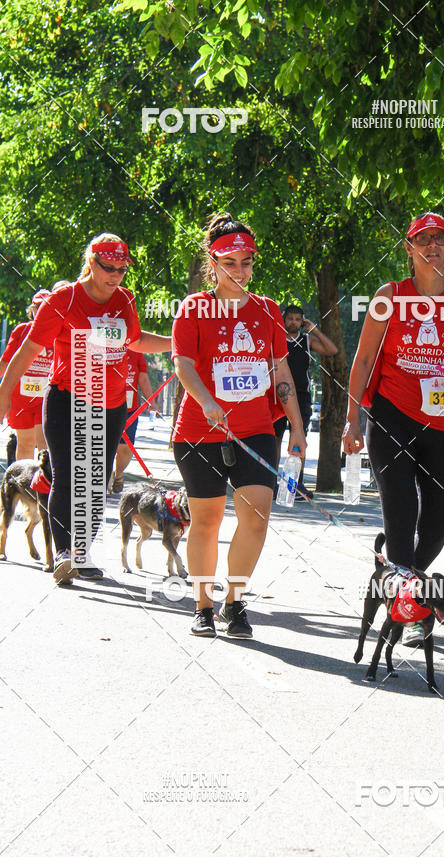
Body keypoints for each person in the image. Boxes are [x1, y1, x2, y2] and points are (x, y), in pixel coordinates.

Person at [343, 211, 444, 646]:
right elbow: (364, 360)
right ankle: (408, 608)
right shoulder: (389, 296)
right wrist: (352, 418)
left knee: (441, 519)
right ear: (409, 249)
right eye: (423, 239)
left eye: (440, 239)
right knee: (401, 508)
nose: (433, 246)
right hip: (393, 414)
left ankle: (403, 580)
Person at [0, 233, 171, 584]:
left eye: (122, 269)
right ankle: (63, 553)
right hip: (66, 400)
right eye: (108, 268)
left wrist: (177, 340)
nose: (115, 276)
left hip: (110, 405)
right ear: (90, 263)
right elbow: (27, 352)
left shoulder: (124, 300)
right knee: (66, 474)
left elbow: (135, 340)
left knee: (95, 480)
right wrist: (3, 396)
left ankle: (83, 552)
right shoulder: (64, 300)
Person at [171, 212, 307, 639]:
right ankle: (203, 606)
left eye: (246, 261)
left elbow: (281, 372)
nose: (240, 270)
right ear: (213, 264)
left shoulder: (267, 310)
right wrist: (207, 400)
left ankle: (234, 602)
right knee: (207, 521)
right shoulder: (194, 307)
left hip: (255, 430)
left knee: (255, 520)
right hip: (199, 431)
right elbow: (184, 366)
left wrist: (298, 430)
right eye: (229, 262)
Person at [273, 304, 338, 499]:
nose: (293, 322)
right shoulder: (275, 339)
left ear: (302, 323)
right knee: (274, 438)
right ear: (283, 319)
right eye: (290, 318)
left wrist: (315, 329)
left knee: (298, 436)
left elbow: (331, 349)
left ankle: (296, 484)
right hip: (278, 395)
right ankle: (271, 482)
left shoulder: (307, 340)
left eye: (298, 319)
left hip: (301, 396)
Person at [0, 283, 67, 459]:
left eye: (46, 306)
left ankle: (42, 484)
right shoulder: (22, 331)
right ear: (33, 309)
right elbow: (6, 363)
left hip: (45, 398)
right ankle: (25, 485)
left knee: (44, 444)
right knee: (25, 443)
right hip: (20, 397)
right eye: (38, 306)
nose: (41, 310)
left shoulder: (59, 333)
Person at [110, 349, 161, 493]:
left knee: (125, 448)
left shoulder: (136, 351)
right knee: (104, 446)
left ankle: (118, 474)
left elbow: (143, 378)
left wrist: (151, 402)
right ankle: (103, 482)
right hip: (103, 405)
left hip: (129, 409)